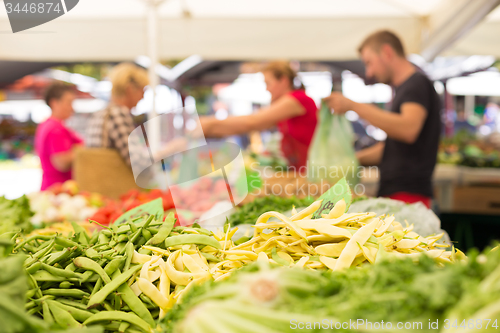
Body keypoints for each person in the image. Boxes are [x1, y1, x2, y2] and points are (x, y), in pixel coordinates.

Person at [324, 30, 441, 208]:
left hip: (409, 196)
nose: (369, 72)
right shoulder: (404, 89)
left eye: (369, 63)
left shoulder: (417, 85)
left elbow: (408, 130)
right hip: (398, 193)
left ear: (387, 52)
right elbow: (392, 148)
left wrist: (353, 106)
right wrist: (350, 160)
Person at [199, 61, 318, 169]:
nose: (267, 89)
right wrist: (213, 129)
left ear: (284, 80)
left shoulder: (298, 99)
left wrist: (210, 124)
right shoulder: (288, 103)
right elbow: (256, 121)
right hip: (301, 170)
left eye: (268, 83)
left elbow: (253, 121)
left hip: (312, 170)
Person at [87, 63, 150, 169]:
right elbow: (138, 162)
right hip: (112, 183)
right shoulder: (117, 114)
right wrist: (169, 150)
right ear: (130, 89)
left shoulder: (100, 113)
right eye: (142, 90)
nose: (143, 97)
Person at [35, 82, 83, 190]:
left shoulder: (46, 124)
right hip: (59, 191)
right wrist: (82, 151)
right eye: (69, 103)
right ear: (54, 103)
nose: (72, 108)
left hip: (53, 188)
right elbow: (62, 162)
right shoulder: (56, 129)